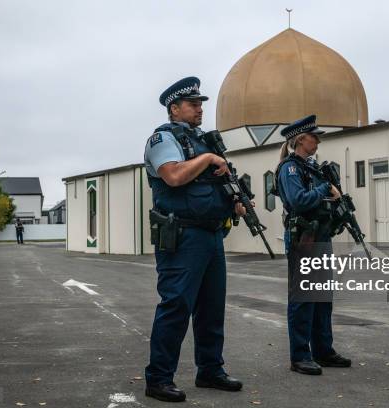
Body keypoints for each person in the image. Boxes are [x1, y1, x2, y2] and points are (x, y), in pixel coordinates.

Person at [143, 76, 244, 402]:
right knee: (176, 305)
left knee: (211, 308)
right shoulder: (163, 138)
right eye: (193, 103)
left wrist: (236, 201)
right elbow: (173, 176)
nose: (200, 108)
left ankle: (210, 370)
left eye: (201, 103)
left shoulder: (201, 140)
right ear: (175, 108)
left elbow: (211, 184)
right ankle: (158, 379)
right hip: (183, 235)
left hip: (211, 234)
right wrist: (210, 160)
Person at [275, 114, 352, 375]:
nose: (318, 140)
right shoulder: (290, 169)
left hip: (320, 236)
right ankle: (300, 355)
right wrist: (324, 191)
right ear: (300, 139)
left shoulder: (312, 168)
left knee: (322, 298)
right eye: (314, 136)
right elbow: (299, 200)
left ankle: (323, 350)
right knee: (304, 298)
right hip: (303, 238)